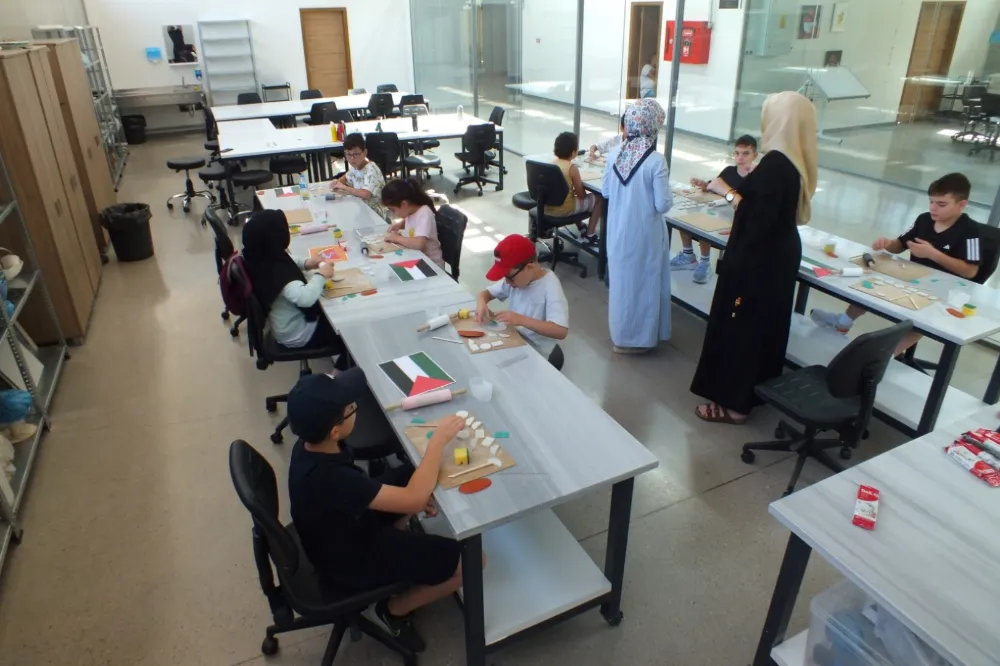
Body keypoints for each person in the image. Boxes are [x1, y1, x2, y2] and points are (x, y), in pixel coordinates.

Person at [286, 370, 469, 652]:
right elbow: (414, 498)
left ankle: (400, 541)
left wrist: (412, 498)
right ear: (335, 431)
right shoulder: (332, 478)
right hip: (351, 560)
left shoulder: (309, 446)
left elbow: (401, 495)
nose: (356, 409)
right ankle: (393, 610)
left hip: (341, 529)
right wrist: (437, 442)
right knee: (470, 563)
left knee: (412, 474)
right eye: (351, 408)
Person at [690, 91, 818, 424]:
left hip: (758, 258)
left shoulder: (776, 164)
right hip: (777, 253)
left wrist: (727, 192)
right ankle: (755, 391)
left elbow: (755, 216)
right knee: (763, 326)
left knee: (742, 325)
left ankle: (735, 404)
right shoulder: (793, 162)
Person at [810, 173, 980, 355]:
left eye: (941, 204)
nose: (933, 208)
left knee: (924, 318)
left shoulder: (970, 231)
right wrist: (888, 244)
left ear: (961, 204)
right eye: (931, 202)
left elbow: (970, 271)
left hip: (944, 292)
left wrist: (933, 254)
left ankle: (885, 356)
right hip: (913, 278)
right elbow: (900, 244)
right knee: (870, 284)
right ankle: (842, 323)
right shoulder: (924, 219)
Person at [601, 98, 672, 354]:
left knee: (622, 285)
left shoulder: (614, 154)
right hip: (644, 234)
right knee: (644, 284)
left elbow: (606, 192)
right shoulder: (656, 161)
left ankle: (621, 336)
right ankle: (641, 339)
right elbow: (663, 204)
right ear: (653, 126)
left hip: (618, 231)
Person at [241, 210, 345, 356]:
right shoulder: (276, 273)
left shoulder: (259, 255)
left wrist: (307, 263)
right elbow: (305, 298)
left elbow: (289, 259)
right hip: (297, 333)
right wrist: (321, 275)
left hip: (285, 325)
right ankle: (342, 368)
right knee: (347, 326)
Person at [671, 135, 759, 285]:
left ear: (755, 155)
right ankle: (688, 255)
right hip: (721, 214)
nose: (740, 158)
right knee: (690, 215)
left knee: (706, 222)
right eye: (737, 153)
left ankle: (704, 262)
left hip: (739, 222)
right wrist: (703, 184)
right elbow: (713, 186)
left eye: (746, 153)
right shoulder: (729, 171)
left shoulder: (757, 178)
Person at [475, 234, 568, 367]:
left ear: (529, 267)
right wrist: (481, 303)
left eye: (509, 278)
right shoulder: (517, 278)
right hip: (514, 338)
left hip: (536, 352)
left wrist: (521, 320)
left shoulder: (550, 286)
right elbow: (484, 294)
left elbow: (560, 331)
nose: (507, 283)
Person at [548, 131, 603, 244]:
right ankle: (589, 234)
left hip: (547, 208)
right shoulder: (572, 168)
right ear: (574, 152)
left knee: (572, 196)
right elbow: (581, 195)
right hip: (564, 209)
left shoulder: (552, 164)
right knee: (599, 199)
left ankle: (581, 226)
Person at [381, 178, 444, 267]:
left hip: (431, 265)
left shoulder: (424, 213)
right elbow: (412, 220)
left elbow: (419, 244)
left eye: (393, 210)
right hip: (416, 258)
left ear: (404, 204)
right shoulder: (411, 211)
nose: (393, 213)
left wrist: (397, 238)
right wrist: (400, 224)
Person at [332, 133, 388, 220]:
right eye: (348, 154)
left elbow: (365, 194)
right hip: (361, 209)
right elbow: (345, 177)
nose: (352, 158)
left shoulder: (371, 169)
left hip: (375, 215)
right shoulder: (355, 167)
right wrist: (336, 182)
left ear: (365, 153)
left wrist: (344, 187)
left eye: (356, 154)